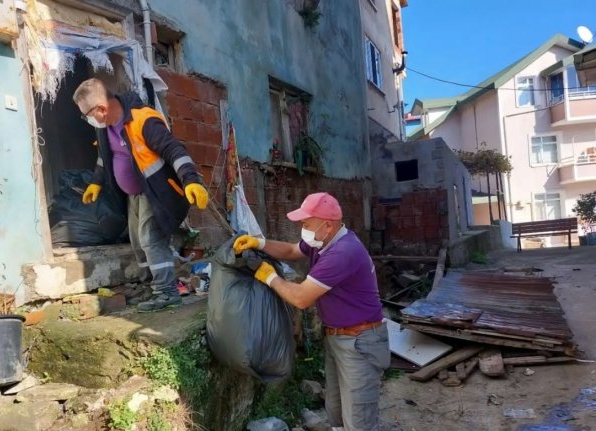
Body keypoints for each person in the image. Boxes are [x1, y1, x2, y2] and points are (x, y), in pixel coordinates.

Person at [233, 192, 390, 431]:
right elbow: (290, 251)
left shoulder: (343, 252)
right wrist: (259, 243)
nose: (302, 229)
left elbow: (300, 298)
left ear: (327, 225)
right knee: (336, 412)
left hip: (360, 342)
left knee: (359, 420)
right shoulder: (323, 240)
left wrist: (270, 276)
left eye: (306, 224)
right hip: (338, 337)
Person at [73, 78, 209, 312]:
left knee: (150, 238)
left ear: (101, 109)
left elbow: (174, 150)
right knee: (138, 242)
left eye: (87, 114)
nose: (88, 120)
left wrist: (191, 180)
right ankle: (151, 287)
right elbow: (105, 157)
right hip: (133, 195)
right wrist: (96, 182)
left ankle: (166, 292)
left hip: (155, 192)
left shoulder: (143, 120)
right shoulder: (104, 128)